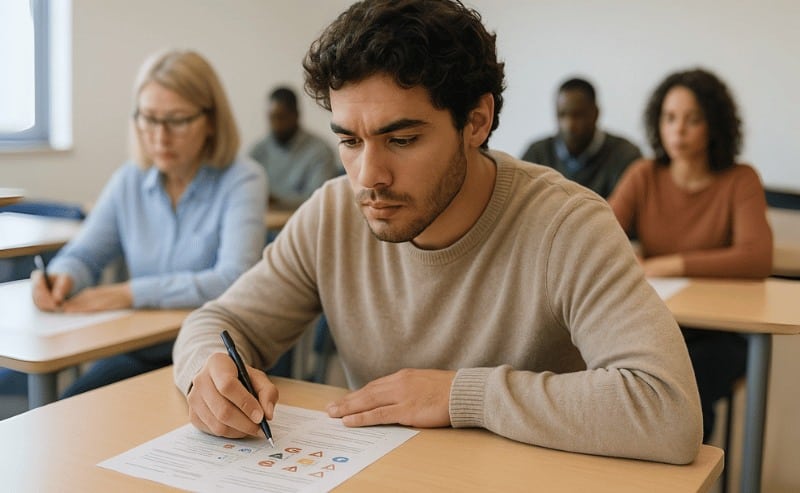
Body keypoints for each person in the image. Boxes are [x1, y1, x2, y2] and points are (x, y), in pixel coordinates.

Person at [173, 0, 702, 464]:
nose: (367, 177)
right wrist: (207, 372)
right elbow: (217, 321)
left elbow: (668, 410)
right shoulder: (332, 213)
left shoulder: (566, 225)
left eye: (400, 139)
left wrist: (460, 396)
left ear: (476, 122)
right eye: (349, 141)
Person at [31, 49, 267, 397]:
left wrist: (129, 292)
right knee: (69, 406)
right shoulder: (129, 179)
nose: (160, 136)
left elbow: (233, 279)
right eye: (148, 118)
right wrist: (62, 276)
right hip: (140, 352)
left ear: (211, 120)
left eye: (177, 120)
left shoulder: (243, 179)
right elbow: (85, 254)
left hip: (211, 356)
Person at [608, 68, 773, 441]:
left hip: (722, 332)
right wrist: (625, 256)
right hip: (658, 323)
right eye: (669, 118)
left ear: (714, 125)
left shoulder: (740, 179)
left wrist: (670, 264)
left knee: (685, 391)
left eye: (692, 119)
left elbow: (756, 257)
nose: (678, 130)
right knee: (627, 383)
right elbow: (599, 233)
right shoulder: (644, 174)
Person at [521, 78, 641, 198]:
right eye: (562, 114)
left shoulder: (625, 156)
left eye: (578, 115)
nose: (569, 125)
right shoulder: (537, 154)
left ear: (596, 114)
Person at [249, 86, 339, 210]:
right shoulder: (258, 151)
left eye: (281, 117)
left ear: (296, 115)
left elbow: (318, 198)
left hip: (306, 223)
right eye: (272, 117)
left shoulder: (320, 152)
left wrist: (277, 201)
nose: (276, 125)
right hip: (266, 225)